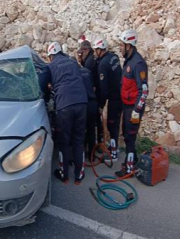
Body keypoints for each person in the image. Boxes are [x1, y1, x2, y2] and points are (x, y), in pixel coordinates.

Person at [39, 42, 88, 185]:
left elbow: (41, 86)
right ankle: (79, 175)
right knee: (79, 140)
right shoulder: (72, 62)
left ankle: (64, 175)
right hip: (81, 103)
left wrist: (47, 96)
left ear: (50, 56)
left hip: (64, 106)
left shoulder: (50, 66)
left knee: (64, 141)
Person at [116, 29, 149, 177]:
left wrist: (137, 110)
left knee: (130, 137)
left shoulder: (138, 63)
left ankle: (128, 169)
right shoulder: (128, 60)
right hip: (127, 106)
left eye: (122, 45)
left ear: (129, 45)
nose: (120, 48)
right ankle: (133, 160)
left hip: (134, 108)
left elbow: (144, 89)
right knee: (127, 134)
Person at [93, 36, 122, 162]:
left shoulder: (103, 65)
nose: (95, 53)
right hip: (121, 94)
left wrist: (101, 105)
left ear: (100, 49)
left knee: (112, 124)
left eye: (96, 50)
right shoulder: (114, 57)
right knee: (115, 123)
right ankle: (115, 147)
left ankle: (113, 154)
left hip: (114, 98)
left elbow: (104, 89)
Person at [78, 40, 104, 144]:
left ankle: (91, 148)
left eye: (82, 52)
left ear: (87, 50)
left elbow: (86, 77)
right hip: (96, 93)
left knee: (90, 125)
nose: (81, 54)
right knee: (95, 123)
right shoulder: (91, 58)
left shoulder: (89, 62)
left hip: (92, 96)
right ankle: (97, 145)